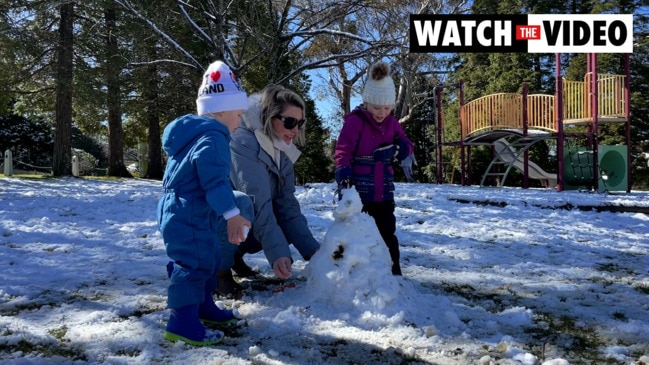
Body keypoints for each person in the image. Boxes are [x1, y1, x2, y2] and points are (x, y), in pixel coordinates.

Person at [157, 60, 253, 346]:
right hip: (187, 212)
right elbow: (215, 182)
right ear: (221, 110)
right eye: (238, 114)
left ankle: (202, 306)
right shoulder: (212, 139)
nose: (240, 122)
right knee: (194, 263)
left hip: (189, 210)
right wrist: (232, 214)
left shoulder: (198, 136)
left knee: (208, 258)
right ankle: (182, 322)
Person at [217, 85, 321, 297]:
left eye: (300, 123)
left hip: (243, 219)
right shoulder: (242, 141)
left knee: (282, 219)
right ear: (269, 116)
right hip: (208, 220)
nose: (295, 129)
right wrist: (278, 255)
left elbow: (287, 204)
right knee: (243, 205)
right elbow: (257, 203)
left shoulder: (281, 148)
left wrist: (315, 253)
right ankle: (218, 270)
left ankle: (234, 255)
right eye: (290, 122)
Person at [334, 60, 414, 276]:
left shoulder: (392, 123)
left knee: (387, 232)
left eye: (387, 108)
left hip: (384, 191)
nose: (381, 113)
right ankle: (356, 272)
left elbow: (408, 146)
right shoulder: (355, 121)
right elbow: (343, 150)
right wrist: (344, 176)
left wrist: (396, 151)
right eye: (377, 107)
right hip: (360, 191)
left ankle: (393, 272)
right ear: (367, 102)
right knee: (358, 232)